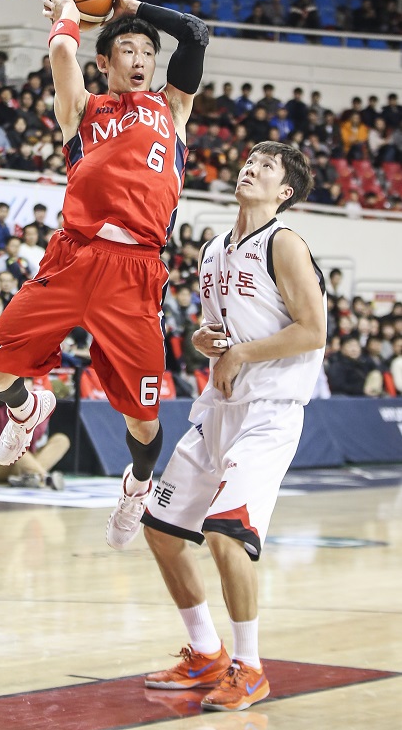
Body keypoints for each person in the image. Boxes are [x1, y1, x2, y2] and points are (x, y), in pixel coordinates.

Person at [0, 0, 209, 547]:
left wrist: (134, 8)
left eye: (148, 51)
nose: (140, 57)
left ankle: (136, 486)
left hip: (136, 272)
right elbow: (61, 48)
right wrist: (68, 14)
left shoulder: (172, 108)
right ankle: (28, 408)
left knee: (144, 420)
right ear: (104, 59)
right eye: (127, 48)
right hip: (74, 255)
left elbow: (197, 36)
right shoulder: (82, 108)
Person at [139, 141, 327, 712]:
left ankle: (250, 667)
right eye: (249, 161)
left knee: (226, 536)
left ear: (284, 192)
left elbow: (313, 330)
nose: (251, 168)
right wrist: (207, 341)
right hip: (218, 410)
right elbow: (220, 331)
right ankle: (206, 652)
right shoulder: (215, 247)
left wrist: (241, 355)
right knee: (162, 531)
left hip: (269, 414)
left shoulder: (286, 244)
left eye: (266, 167)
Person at [0, 379, 69, 489]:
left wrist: (27, 412)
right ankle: (44, 478)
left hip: (27, 457)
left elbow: (37, 433)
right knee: (15, 445)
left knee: (61, 440)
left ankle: (30, 476)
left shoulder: (37, 408)